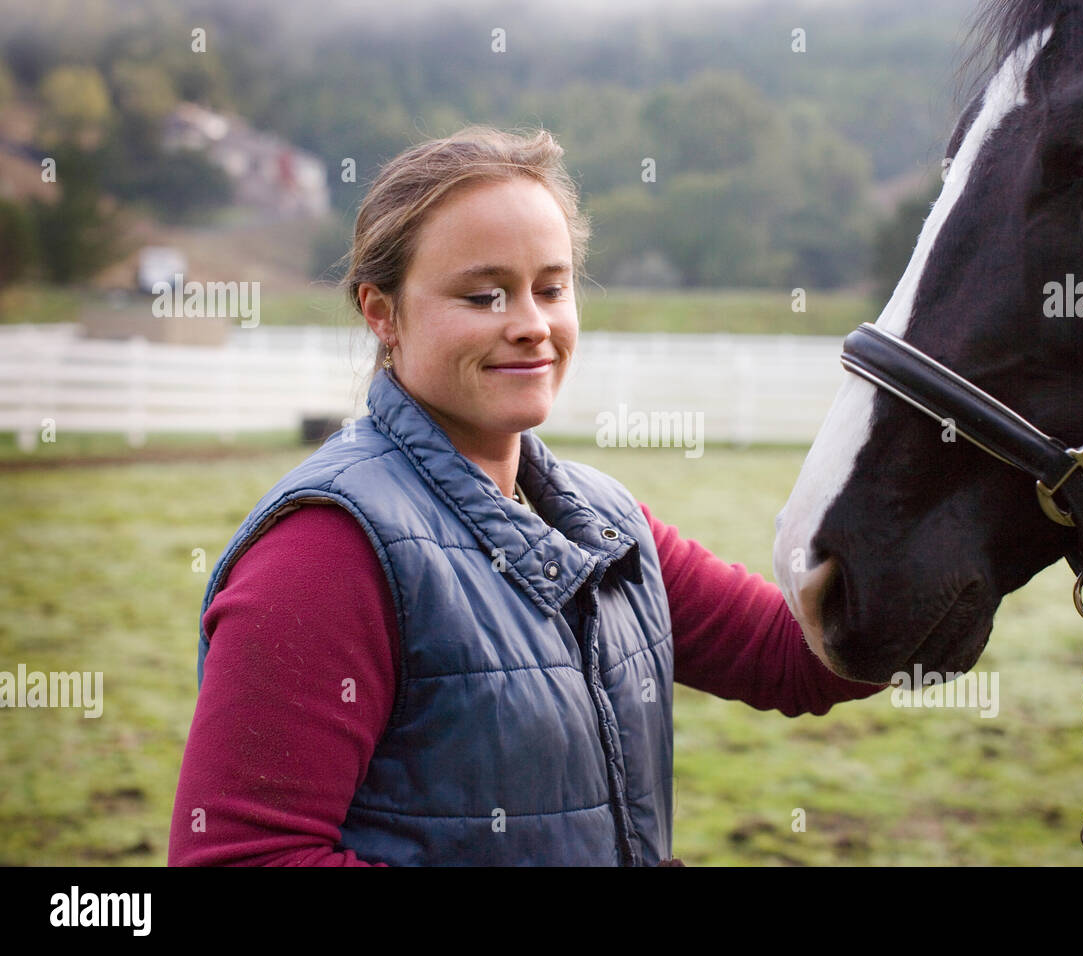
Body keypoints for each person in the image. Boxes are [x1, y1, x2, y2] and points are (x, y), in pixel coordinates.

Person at [168, 126, 886, 867]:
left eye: (550, 288)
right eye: (484, 296)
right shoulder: (324, 551)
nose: (532, 326)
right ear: (381, 312)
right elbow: (239, 857)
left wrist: (961, 537)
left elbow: (793, 657)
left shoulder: (605, 521)